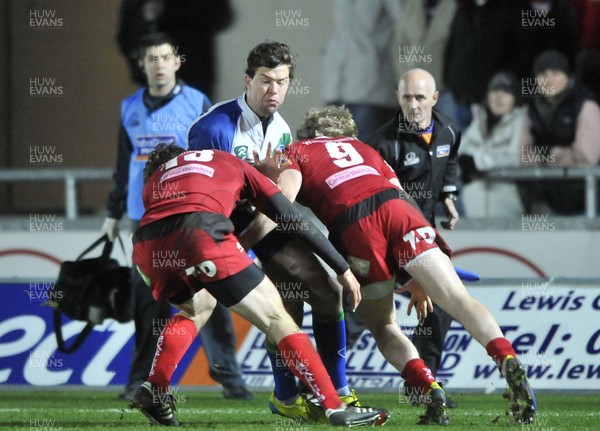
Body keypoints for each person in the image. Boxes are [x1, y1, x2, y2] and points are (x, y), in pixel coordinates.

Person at [255, 105, 537, 425]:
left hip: (355, 224)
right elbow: (402, 194)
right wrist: (414, 270)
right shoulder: (364, 148)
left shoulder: (295, 150)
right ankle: (506, 357)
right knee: (459, 300)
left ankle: (429, 387)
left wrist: (265, 182)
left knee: (385, 326)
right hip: (401, 210)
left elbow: (284, 204)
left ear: (308, 134)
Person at [130, 143, 389, 428]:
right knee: (279, 319)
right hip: (201, 230)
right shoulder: (230, 161)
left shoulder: (155, 181)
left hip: (145, 247)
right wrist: (341, 267)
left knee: (195, 309)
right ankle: (335, 406)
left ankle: (155, 388)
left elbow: (171, 218)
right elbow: (292, 218)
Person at [188, 41, 358, 422]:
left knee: (326, 292)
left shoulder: (280, 130)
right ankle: (156, 387)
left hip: (259, 223)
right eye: (265, 81)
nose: (274, 91)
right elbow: (203, 198)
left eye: (281, 82)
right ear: (248, 80)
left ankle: (336, 392)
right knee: (199, 308)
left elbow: (279, 198)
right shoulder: (213, 128)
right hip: (219, 231)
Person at [101, 32, 251, 402]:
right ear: (143, 65)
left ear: (177, 62)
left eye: (165, 57)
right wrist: (112, 212)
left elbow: (214, 157)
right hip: (145, 218)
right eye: (151, 58)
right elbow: (124, 165)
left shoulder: (197, 102)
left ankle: (230, 379)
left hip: (191, 214)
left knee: (213, 293)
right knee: (147, 304)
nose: (158, 65)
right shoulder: (129, 107)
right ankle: (139, 381)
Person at [346, 68, 460, 406]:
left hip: (420, 237)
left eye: (420, 97)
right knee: (357, 311)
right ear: (398, 98)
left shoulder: (449, 131)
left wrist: (448, 195)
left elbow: (448, 164)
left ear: (434, 99)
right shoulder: (381, 143)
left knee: (441, 307)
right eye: (407, 97)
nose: (413, 104)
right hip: (380, 240)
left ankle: (424, 388)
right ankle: (322, 379)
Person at [520, 49, 600, 215]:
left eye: (555, 73)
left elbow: (587, 158)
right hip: (543, 198)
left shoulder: (585, 104)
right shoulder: (531, 107)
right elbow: (523, 154)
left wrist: (548, 155)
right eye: (542, 74)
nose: (548, 80)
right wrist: (562, 155)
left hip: (584, 200)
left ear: (567, 76)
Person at [321, 0, 404, 141]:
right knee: (338, 154)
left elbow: (405, 25)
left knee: (366, 151)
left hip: (372, 87)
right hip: (338, 86)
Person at [117, 0, 233, 99]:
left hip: (191, 75)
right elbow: (125, 34)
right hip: (150, 81)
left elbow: (220, 15)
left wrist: (169, 8)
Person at [459, 72, 525, 218]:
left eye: (506, 92)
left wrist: (479, 162)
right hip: (473, 205)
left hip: (507, 205)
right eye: (494, 91)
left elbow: (517, 157)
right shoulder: (478, 120)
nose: (499, 97)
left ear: (515, 99)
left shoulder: (522, 122)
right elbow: (459, 154)